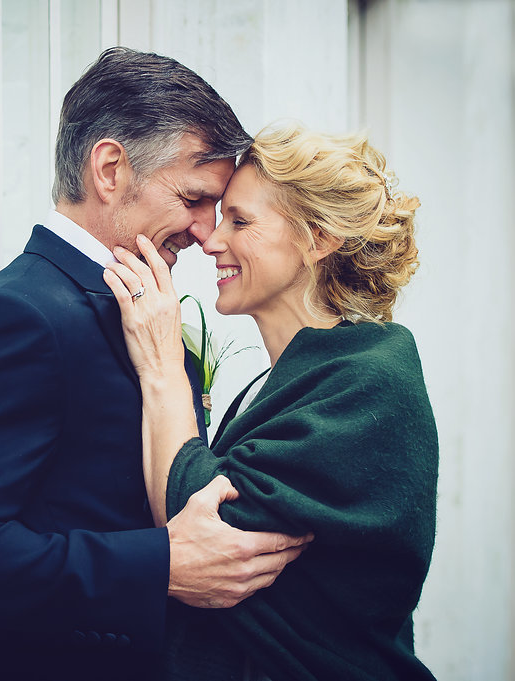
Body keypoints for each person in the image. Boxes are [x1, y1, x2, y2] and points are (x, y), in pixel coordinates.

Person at [0, 48, 311, 681]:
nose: (205, 231)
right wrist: (159, 564)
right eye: (194, 198)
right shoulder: (24, 314)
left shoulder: (136, 301)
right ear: (110, 170)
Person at [103, 122, 438, 680]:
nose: (211, 240)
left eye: (241, 220)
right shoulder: (295, 376)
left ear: (318, 239)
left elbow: (201, 523)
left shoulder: (373, 381)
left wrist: (160, 363)